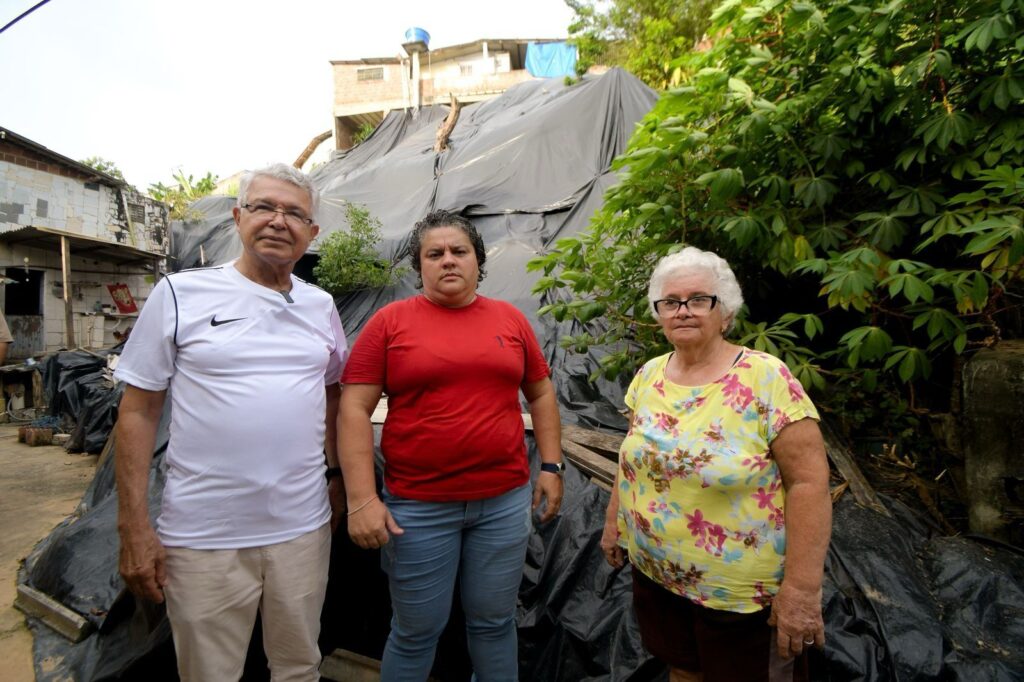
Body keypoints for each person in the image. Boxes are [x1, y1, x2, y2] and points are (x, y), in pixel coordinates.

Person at [114, 163, 348, 681]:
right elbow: (138, 410)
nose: (278, 221)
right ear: (238, 217)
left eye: (294, 213)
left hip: (302, 530)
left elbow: (333, 396)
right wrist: (133, 525)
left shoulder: (320, 305)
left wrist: (336, 481)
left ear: (312, 233)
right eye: (264, 207)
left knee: (299, 666)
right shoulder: (180, 294)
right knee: (210, 673)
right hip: (204, 535)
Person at [339, 209, 564, 682]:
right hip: (417, 509)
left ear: (478, 261)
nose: (447, 261)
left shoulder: (510, 320)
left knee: (493, 623)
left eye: (459, 251)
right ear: (419, 266)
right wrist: (362, 498)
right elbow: (353, 409)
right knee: (416, 631)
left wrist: (551, 466)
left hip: (502, 504)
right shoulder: (389, 323)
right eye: (433, 253)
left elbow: (541, 393)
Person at [601, 246, 831, 682]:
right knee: (683, 669)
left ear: (724, 312)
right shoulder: (649, 375)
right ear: (658, 313)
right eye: (670, 302)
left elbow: (809, 483)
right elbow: (631, 458)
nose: (683, 311)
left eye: (698, 299)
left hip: (739, 594)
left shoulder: (766, 378)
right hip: (658, 573)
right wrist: (615, 521)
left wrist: (802, 589)